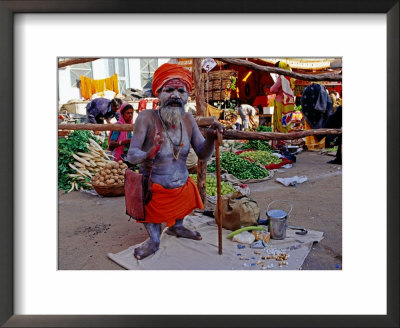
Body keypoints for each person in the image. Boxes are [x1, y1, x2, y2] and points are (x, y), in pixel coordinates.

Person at [126, 63, 225, 260]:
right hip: (155, 190)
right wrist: (148, 153)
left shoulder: (188, 120)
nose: (176, 95)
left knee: (187, 193)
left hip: (182, 187)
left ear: (187, 96)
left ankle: (177, 227)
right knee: (153, 226)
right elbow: (131, 155)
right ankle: (154, 240)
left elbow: (203, 155)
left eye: (181, 91)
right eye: (169, 90)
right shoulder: (146, 118)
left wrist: (212, 138)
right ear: (159, 94)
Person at [270, 61, 296, 148]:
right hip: (289, 104)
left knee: (280, 123)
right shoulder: (291, 78)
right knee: (287, 123)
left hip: (280, 104)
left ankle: (280, 144)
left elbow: (272, 90)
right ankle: (287, 143)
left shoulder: (281, 78)